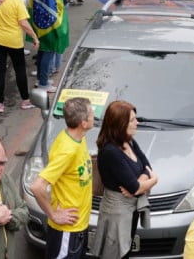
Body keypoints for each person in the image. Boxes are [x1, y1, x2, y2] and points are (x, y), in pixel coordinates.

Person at [92, 101, 158, 259]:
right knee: (115, 255)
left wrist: (140, 183)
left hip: (131, 210)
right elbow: (136, 187)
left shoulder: (129, 141)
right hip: (117, 214)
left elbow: (145, 166)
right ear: (120, 124)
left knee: (126, 252)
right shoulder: (110, 151)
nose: (137, 122)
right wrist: (154, 180)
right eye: (133, 120)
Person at [30, 97, 94, 259]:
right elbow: (37, 187)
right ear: (83, 123)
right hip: (67, 231)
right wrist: (53, 214)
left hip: (78, 227)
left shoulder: (79, 137)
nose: (94, 115)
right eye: (92, 113)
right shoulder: (67, 150)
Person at [29, 0, 70, 91]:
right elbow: (52, 12)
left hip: (42, 27)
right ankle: (43, 83)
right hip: (50, 29)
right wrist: (59, 29)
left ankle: (42, 79)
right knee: (47, 53)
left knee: (43, 52)